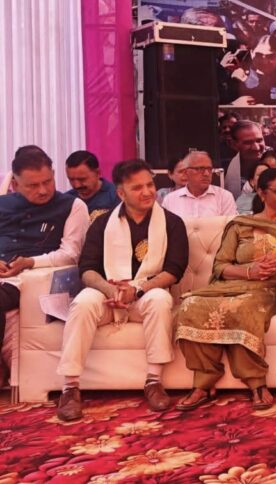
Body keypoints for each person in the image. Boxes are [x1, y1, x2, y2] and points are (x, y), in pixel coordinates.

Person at [56, 160, 189, 421]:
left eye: (150, 185)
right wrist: (109, 290)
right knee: (83, 303)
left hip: (144, 296)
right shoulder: (102, 223)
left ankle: (154, 382)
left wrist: (136, 290)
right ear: (120, 193)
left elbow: (174, 271)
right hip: (108, 295)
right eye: (137, 188)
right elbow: (87, 269)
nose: (147, 192)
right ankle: (70, 388)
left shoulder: (172, 223)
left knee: (160, 299)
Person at [175, 168, 276, 412]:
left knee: (242, 307)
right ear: (262, 193)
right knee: (190, 305)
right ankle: (203, 382)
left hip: (270, 287)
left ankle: (256, 383)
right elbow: (220, 266)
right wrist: (249, 271)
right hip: (234, 284)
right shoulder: (241, 225)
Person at [0, 147, 88, 387]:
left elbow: (70, 255)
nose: (43, 190)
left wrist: (30, 262)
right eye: (32, 185)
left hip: (29, 279)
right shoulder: (2, 204)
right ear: (15, 185)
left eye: (47, 182)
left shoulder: (73, 206)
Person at [162, 151, 238, 219]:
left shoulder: (224, 197)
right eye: (200, 169)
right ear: (186, 172)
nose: (206, 174)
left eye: (209, 169)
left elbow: (231, 228)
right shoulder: (170, 200)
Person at [65, 150, 119, 216]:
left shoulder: (117, 196)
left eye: (82, 179)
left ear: (98, 173)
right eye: (71, 180)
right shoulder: (66, 201)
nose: (77, 185)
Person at [224, 121, 267, 197]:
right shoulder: (223, 170)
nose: (256, 147)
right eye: (248, 142)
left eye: (259, 140)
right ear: (233, 144)